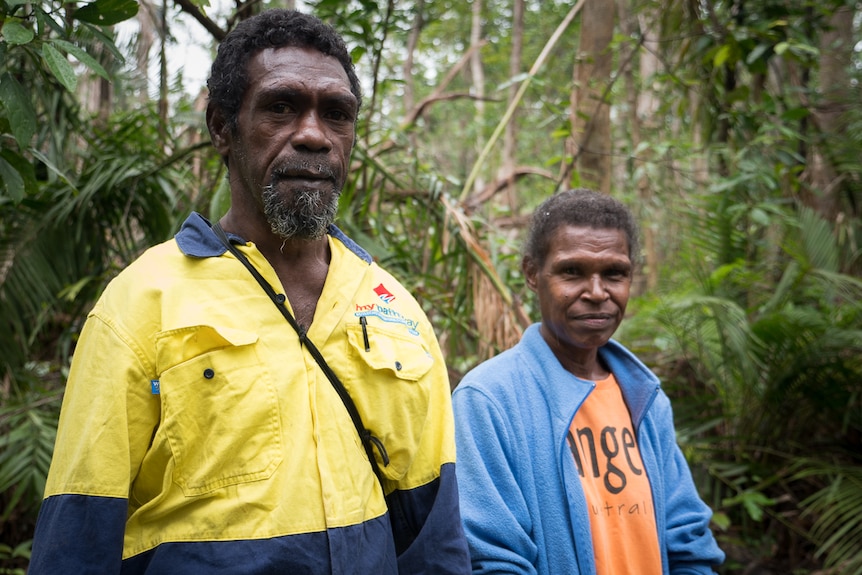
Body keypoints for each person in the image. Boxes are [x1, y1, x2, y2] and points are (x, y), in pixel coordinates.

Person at [28, 9, 470, 574]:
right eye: (281, 107)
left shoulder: (392, 310)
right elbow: (78, 537)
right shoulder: (141, 302)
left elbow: (432, 538)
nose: (314, 135)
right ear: (221, 127)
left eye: (337, 114)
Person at [452, 188, 725, 574]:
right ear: (533, 274)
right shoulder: (489, 400)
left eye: (614, 273)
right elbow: (493, 558)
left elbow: (687, 539)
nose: (597, 294)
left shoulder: (644, 396)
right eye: (572, 271)